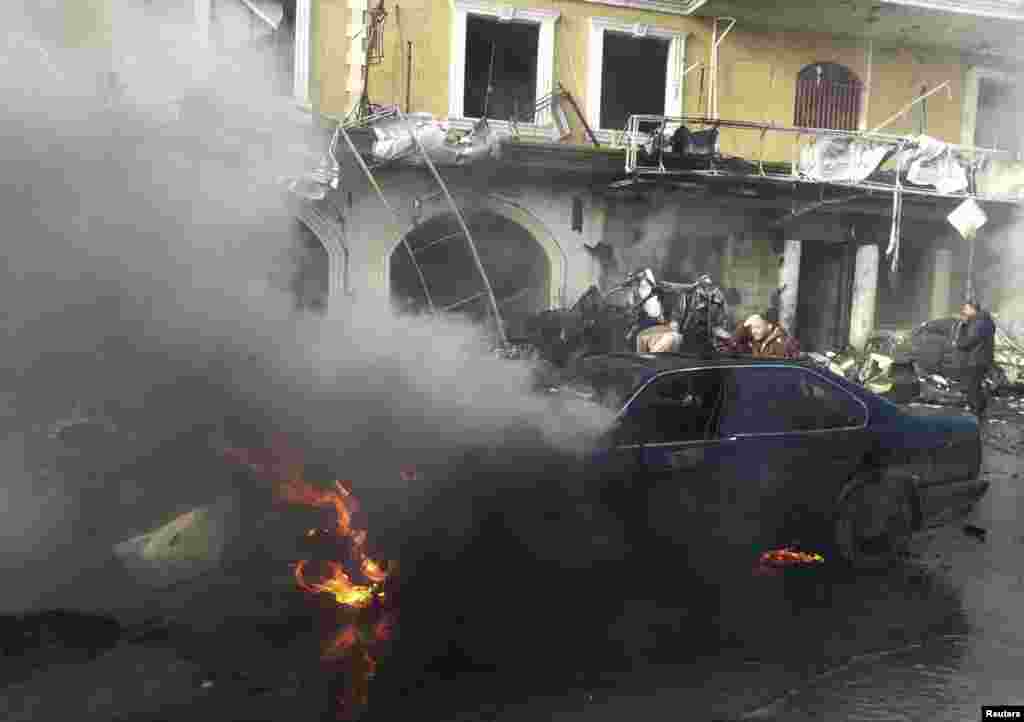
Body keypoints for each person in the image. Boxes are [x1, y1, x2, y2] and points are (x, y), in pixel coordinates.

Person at [954, 300, 996, 419]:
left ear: (973, 309)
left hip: (977, 358)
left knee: (972, 388)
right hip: (982, 358)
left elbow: (970, 340)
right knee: (975, 386)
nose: (964, 311)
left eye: (966, 308)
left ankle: (975, 414)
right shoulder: (984, 320)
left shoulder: (979, 322)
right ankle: (980, 410)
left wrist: (963, 328)